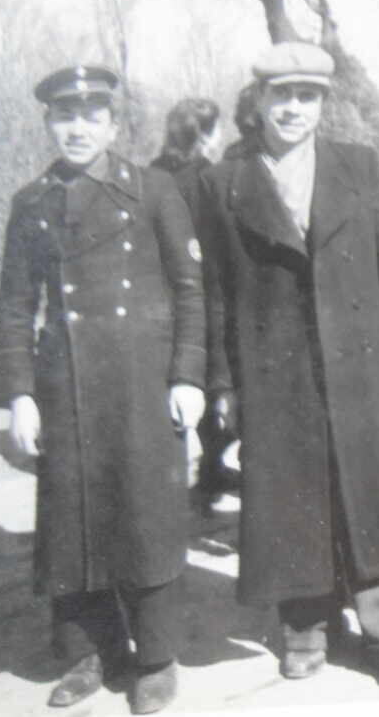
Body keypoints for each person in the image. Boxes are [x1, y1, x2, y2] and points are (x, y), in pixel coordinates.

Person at [196, 42, 379, 696]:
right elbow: (215, 291)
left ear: (322, 103)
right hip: (275, 371)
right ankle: (306, 628)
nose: (292, 108)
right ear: (259, 101)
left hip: (357, 358)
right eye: (280, 95)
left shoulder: (357, 165)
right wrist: (221, 383)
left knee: (376, 494)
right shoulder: (223, 183)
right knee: (290, 498)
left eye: (306, 96)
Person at [0, 65, 206, 713]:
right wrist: (20, 395)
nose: (77, 128)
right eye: (64, 116)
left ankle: (157, 656)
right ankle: (91, 652)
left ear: (113, 125)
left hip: (141, 381)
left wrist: (188, 376)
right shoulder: (31, 203)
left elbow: (192, 289)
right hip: (66, 388)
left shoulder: (154, 190)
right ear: (49, 123)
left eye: (91, 115)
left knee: (144, 518)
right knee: (72, 523)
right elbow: (12, 308)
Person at [149, 98, 238, 514]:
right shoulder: (210, 178)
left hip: (164, 293)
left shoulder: (150, 173)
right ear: (205, 134)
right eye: (216, 129)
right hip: (207, 287)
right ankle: (213, 469)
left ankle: (205, 470)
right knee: (219, 378)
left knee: (185, 379)